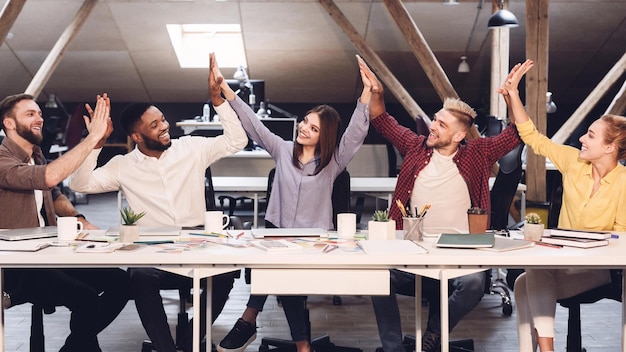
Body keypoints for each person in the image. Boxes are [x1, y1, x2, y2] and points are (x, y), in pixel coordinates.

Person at [69, 55, 249, 352]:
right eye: (155, 125)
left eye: (163, 119)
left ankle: (191, 335)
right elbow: (79, 184)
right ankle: (167, 348)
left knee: (228, 270)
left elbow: (237, 140)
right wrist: (94, 145)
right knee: (138, 276)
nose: (164, 126)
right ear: (137, 136)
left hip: (198, 244)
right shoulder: (123, 165)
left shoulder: (191, 148)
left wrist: (218, 102)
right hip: (154, 253)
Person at [211, 53, 374, 352]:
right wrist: (227, 91)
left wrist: (366, 94)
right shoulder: (283, 150)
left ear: (323, 136)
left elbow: (355, 133)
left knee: (279, 271)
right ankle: (301, 346)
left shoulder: (333, 162)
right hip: (277, 233)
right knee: (277, 266)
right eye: (305, 123)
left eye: (313, 128)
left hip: (314, 240)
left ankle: (249, 320)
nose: (303, 129)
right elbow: (254, 126)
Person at [363, 61, 522, 352]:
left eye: (441, 124)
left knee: (474, 284)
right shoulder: (415, 146)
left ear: (459, 135)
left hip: (460, 252)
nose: (432, 127)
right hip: (412, 248)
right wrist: (376, 91)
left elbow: (515, 133)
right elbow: (381, 119)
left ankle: (434, 335)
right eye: (435, 119)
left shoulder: (477, 153)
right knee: (378, 278)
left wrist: (511, 95)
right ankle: (394, 347)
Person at [499, 59, 626, 352]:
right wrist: (514, 94)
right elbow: (533, 138)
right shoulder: (573, 162)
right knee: (523, 282)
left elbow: (620, 238)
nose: (582, 138)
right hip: (564, 262)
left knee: (533, 272)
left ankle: (545, 350)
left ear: (610, 148)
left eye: (590, 135)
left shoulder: (622, 182)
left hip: (598, 268)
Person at [0, 93, 130, 352]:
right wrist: (92, 139)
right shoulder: (2, 158)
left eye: (39, 113)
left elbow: (54, 193)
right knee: (86, 298)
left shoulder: (35, 154)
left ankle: (73, 348)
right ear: (9, 124)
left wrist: (78, 218)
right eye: (30, 114)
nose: (39, 118)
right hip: (15, 267)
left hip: (46, 254)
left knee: (121, 283)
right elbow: (48, 178)